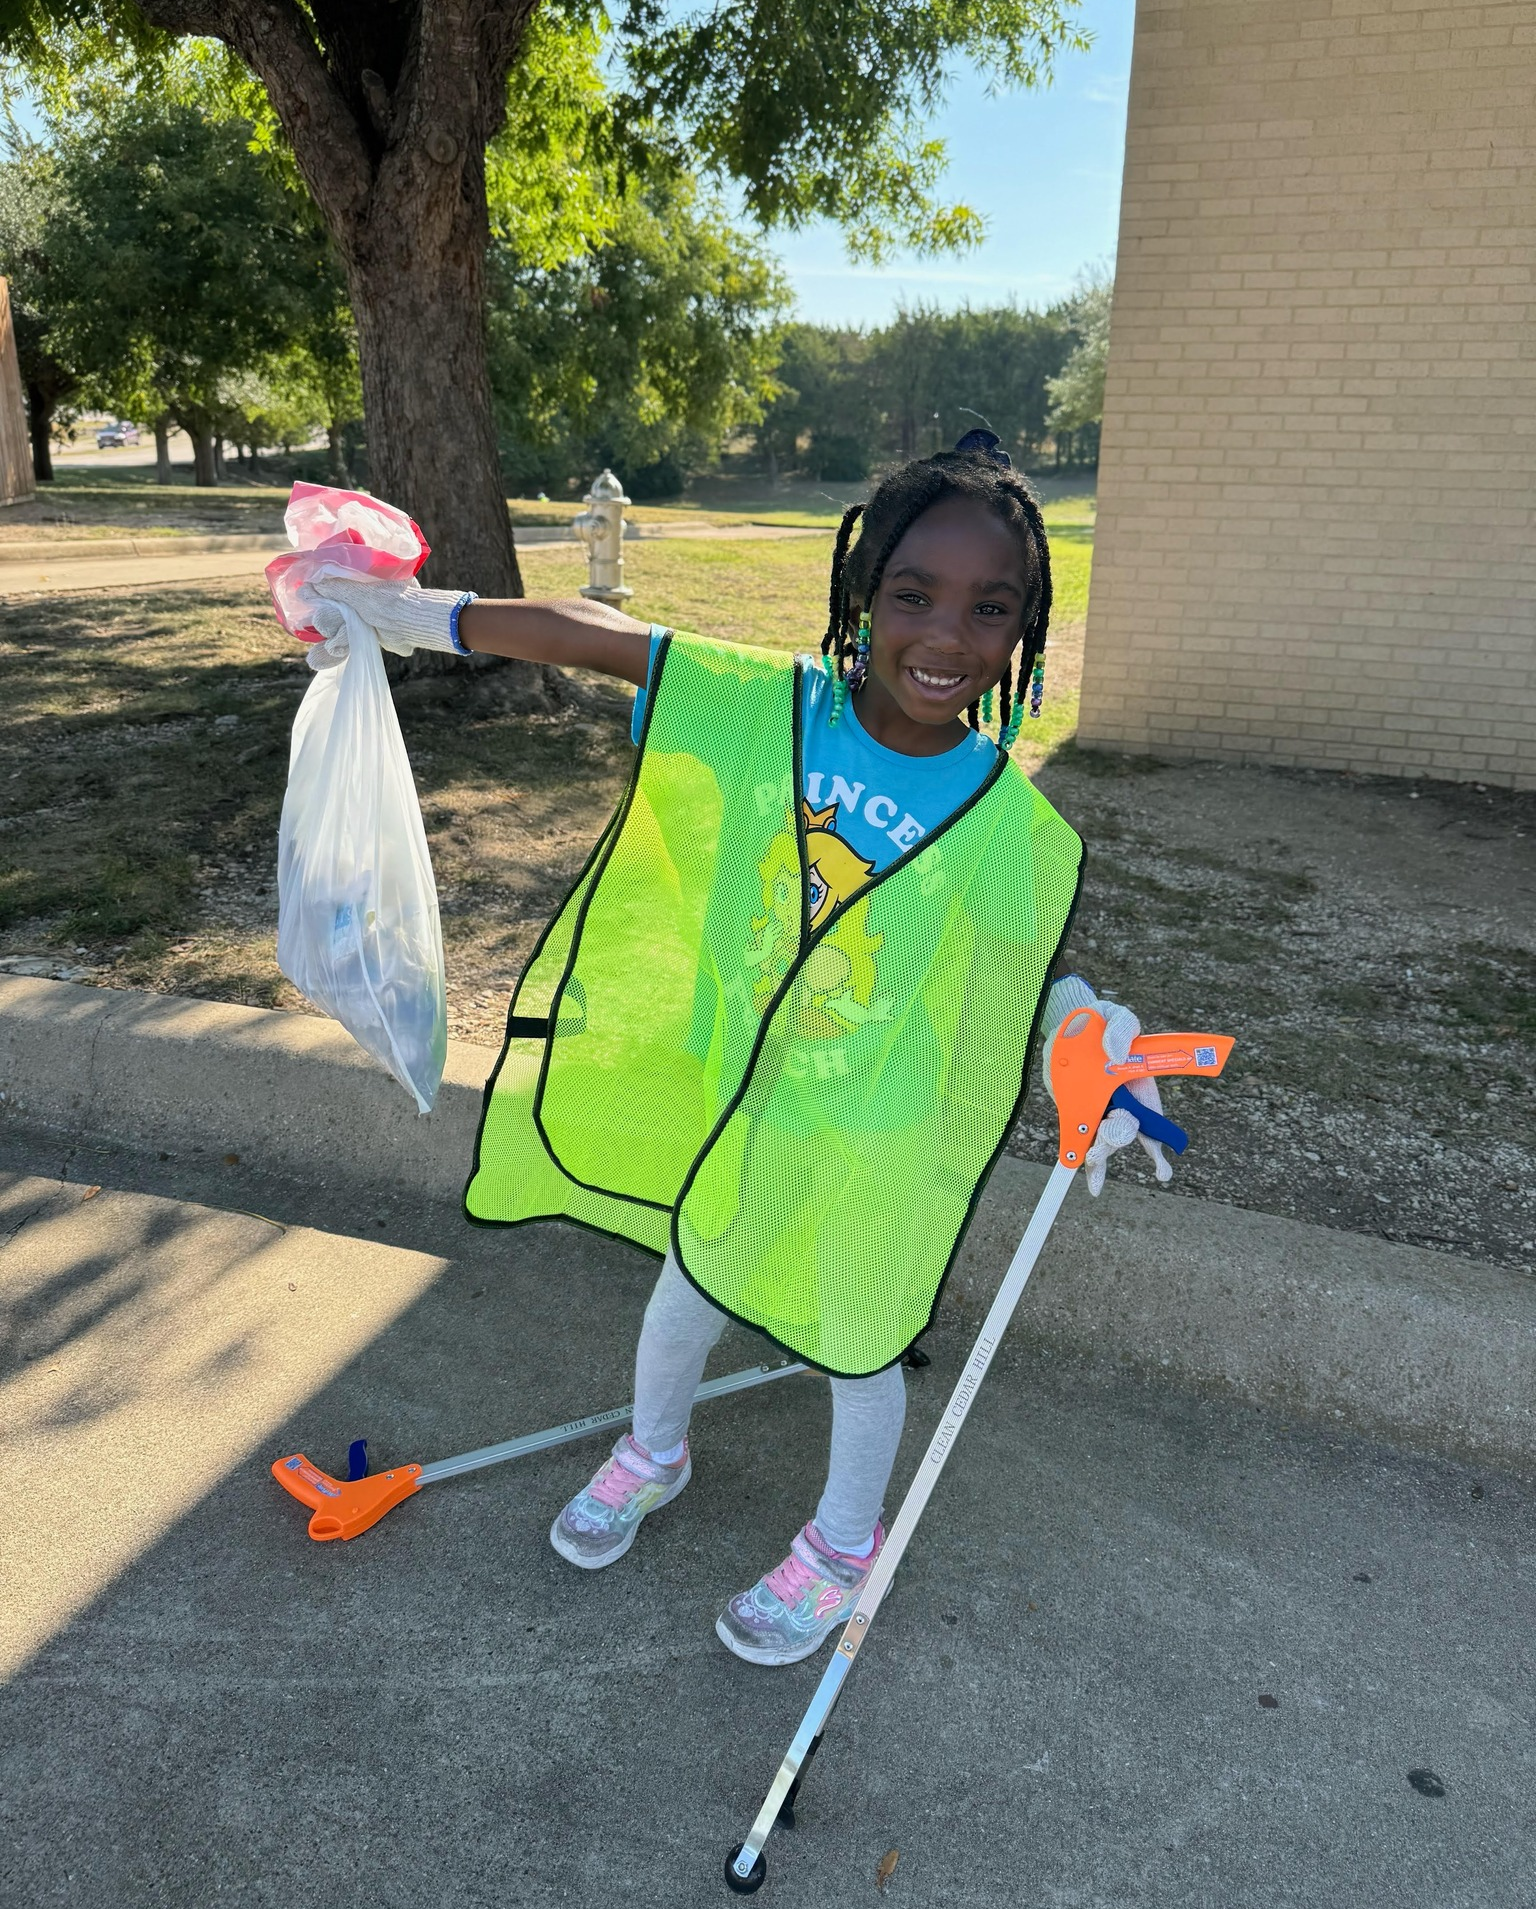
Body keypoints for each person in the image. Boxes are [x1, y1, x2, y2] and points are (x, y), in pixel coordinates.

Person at [304, 432, 1175, 1667]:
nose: (946, 638)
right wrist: (411, 613)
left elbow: (1027, 973)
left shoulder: (1005, 818)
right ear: (863, 594)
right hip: (748, 1104)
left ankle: (840, 1542)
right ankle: (654, 1451)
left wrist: (1094, 1031)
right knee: (687, 1290)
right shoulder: (766, 707)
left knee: (857, 1342)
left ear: (1025, 627)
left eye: (991, 609)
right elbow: (588, 634)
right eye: (913, 594)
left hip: (880, 1128)